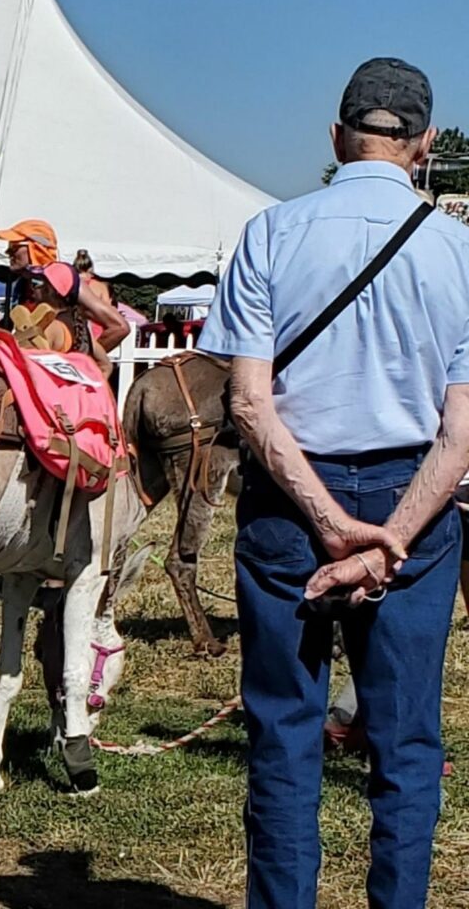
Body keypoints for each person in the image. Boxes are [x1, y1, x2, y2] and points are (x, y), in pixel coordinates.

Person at [199, 57, 469, 909]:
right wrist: (387, 535)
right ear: (424, 146)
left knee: (284, 735)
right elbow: (463, 431)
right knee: (405, 742)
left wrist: (325, 520)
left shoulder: (271, 232)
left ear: (336, 135)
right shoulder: (460, 250)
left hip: (289, 505)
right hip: (413, 511)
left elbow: (248, 401)